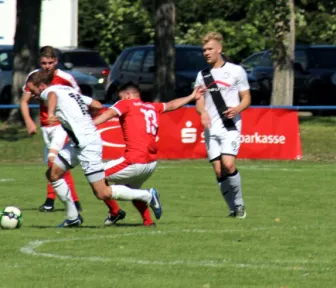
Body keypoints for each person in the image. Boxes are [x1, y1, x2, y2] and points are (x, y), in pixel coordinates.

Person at [25, 71, 162, 228]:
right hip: (77, 142)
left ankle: (147, 195)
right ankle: (73, 217)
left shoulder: (49, 92)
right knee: (53, 174)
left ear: (41, 86)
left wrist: (50, 113)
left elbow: (52, 97)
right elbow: (96, 104)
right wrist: (82, 119)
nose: (32, 94)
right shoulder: (68, 90)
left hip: (87, 144)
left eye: (32, 89)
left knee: (102, 192)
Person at [92, 82, 202, 227]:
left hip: (135, 160)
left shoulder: (126, 103)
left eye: (121, 97)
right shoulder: (151, 106)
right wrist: (192, 96)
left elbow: (109, 113)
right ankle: (148, 222)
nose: (120, 99)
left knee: (96, 176)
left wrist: (88, 125)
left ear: (128, 95)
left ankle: (116, 211)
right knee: (131, 190)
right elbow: (172, 105)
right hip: (150, 164)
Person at [194, 32, 251, 218]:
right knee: (218, 170)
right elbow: (199, 99)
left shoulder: (236, 71)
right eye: (204, 50)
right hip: (211, 128)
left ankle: (240, 204)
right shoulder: (202, 75)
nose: (206, 52)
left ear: (219, 49)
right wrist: (202, 113)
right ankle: (232, 209)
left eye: (210, 49)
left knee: (228, 164)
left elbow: (247, 98)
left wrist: (237, 109)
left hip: (230, 126)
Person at [21, 46, 82, 212]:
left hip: (62, 125)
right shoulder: (35, 77)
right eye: (43, 63)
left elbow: (78, 98)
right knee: (58, 164)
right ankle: (73, 202)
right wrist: (29, 121)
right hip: (45, 126)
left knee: (54, 161)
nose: (47, 66)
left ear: (56, 62)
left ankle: (53, 201)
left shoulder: (65, 78)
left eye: (50, 62)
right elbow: (24, 101)